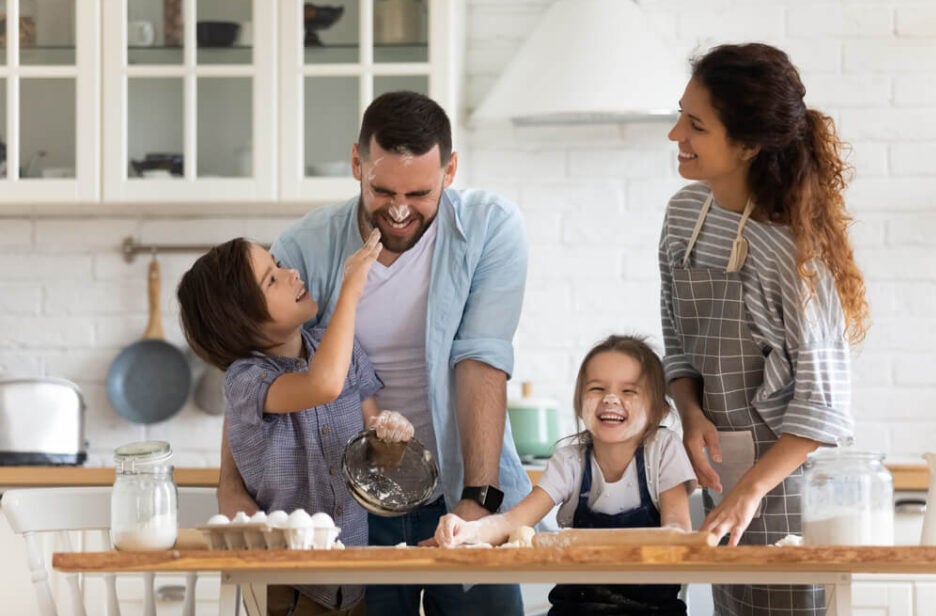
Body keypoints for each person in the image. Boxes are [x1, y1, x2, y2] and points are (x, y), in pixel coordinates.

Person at [217, 90, 530, 616]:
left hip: (466, 491)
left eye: (420, 192)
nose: (400, 210)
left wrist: (478, 499)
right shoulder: (305, 250)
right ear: (357, 163)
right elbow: (258, 373)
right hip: (351, 507)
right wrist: (232, 490)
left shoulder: (489, 229)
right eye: (383, 190)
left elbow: (481, 361)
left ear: (450, 170)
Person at [659, 42, 871, 615]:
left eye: (696, 124)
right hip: (722, 477)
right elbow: (676, 340)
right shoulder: (683, 217)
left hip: (789, 496)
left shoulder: (791, 253)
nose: (676, 133)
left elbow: (822, 405)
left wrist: (751, 489)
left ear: (748, 144)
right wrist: (691, 411)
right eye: (680, 114)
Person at [177, 230, 415, 616]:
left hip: (354, 583)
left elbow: (375, 460)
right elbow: (321, 385)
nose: (292, 275)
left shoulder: (344, 351)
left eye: (280, 265)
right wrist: (351, 289)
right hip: (289, 590)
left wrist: (391, 438)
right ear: (240, 320)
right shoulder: (245, 381)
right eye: (272, 279)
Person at [436, 334, 697, 615]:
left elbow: (677, 533)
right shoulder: (570, 461)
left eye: (629, 391)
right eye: (597, 388)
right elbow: (513, 521)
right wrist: (469, 530)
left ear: (658, 409)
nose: (611, 399)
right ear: (579, 402)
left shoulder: (663, 450)